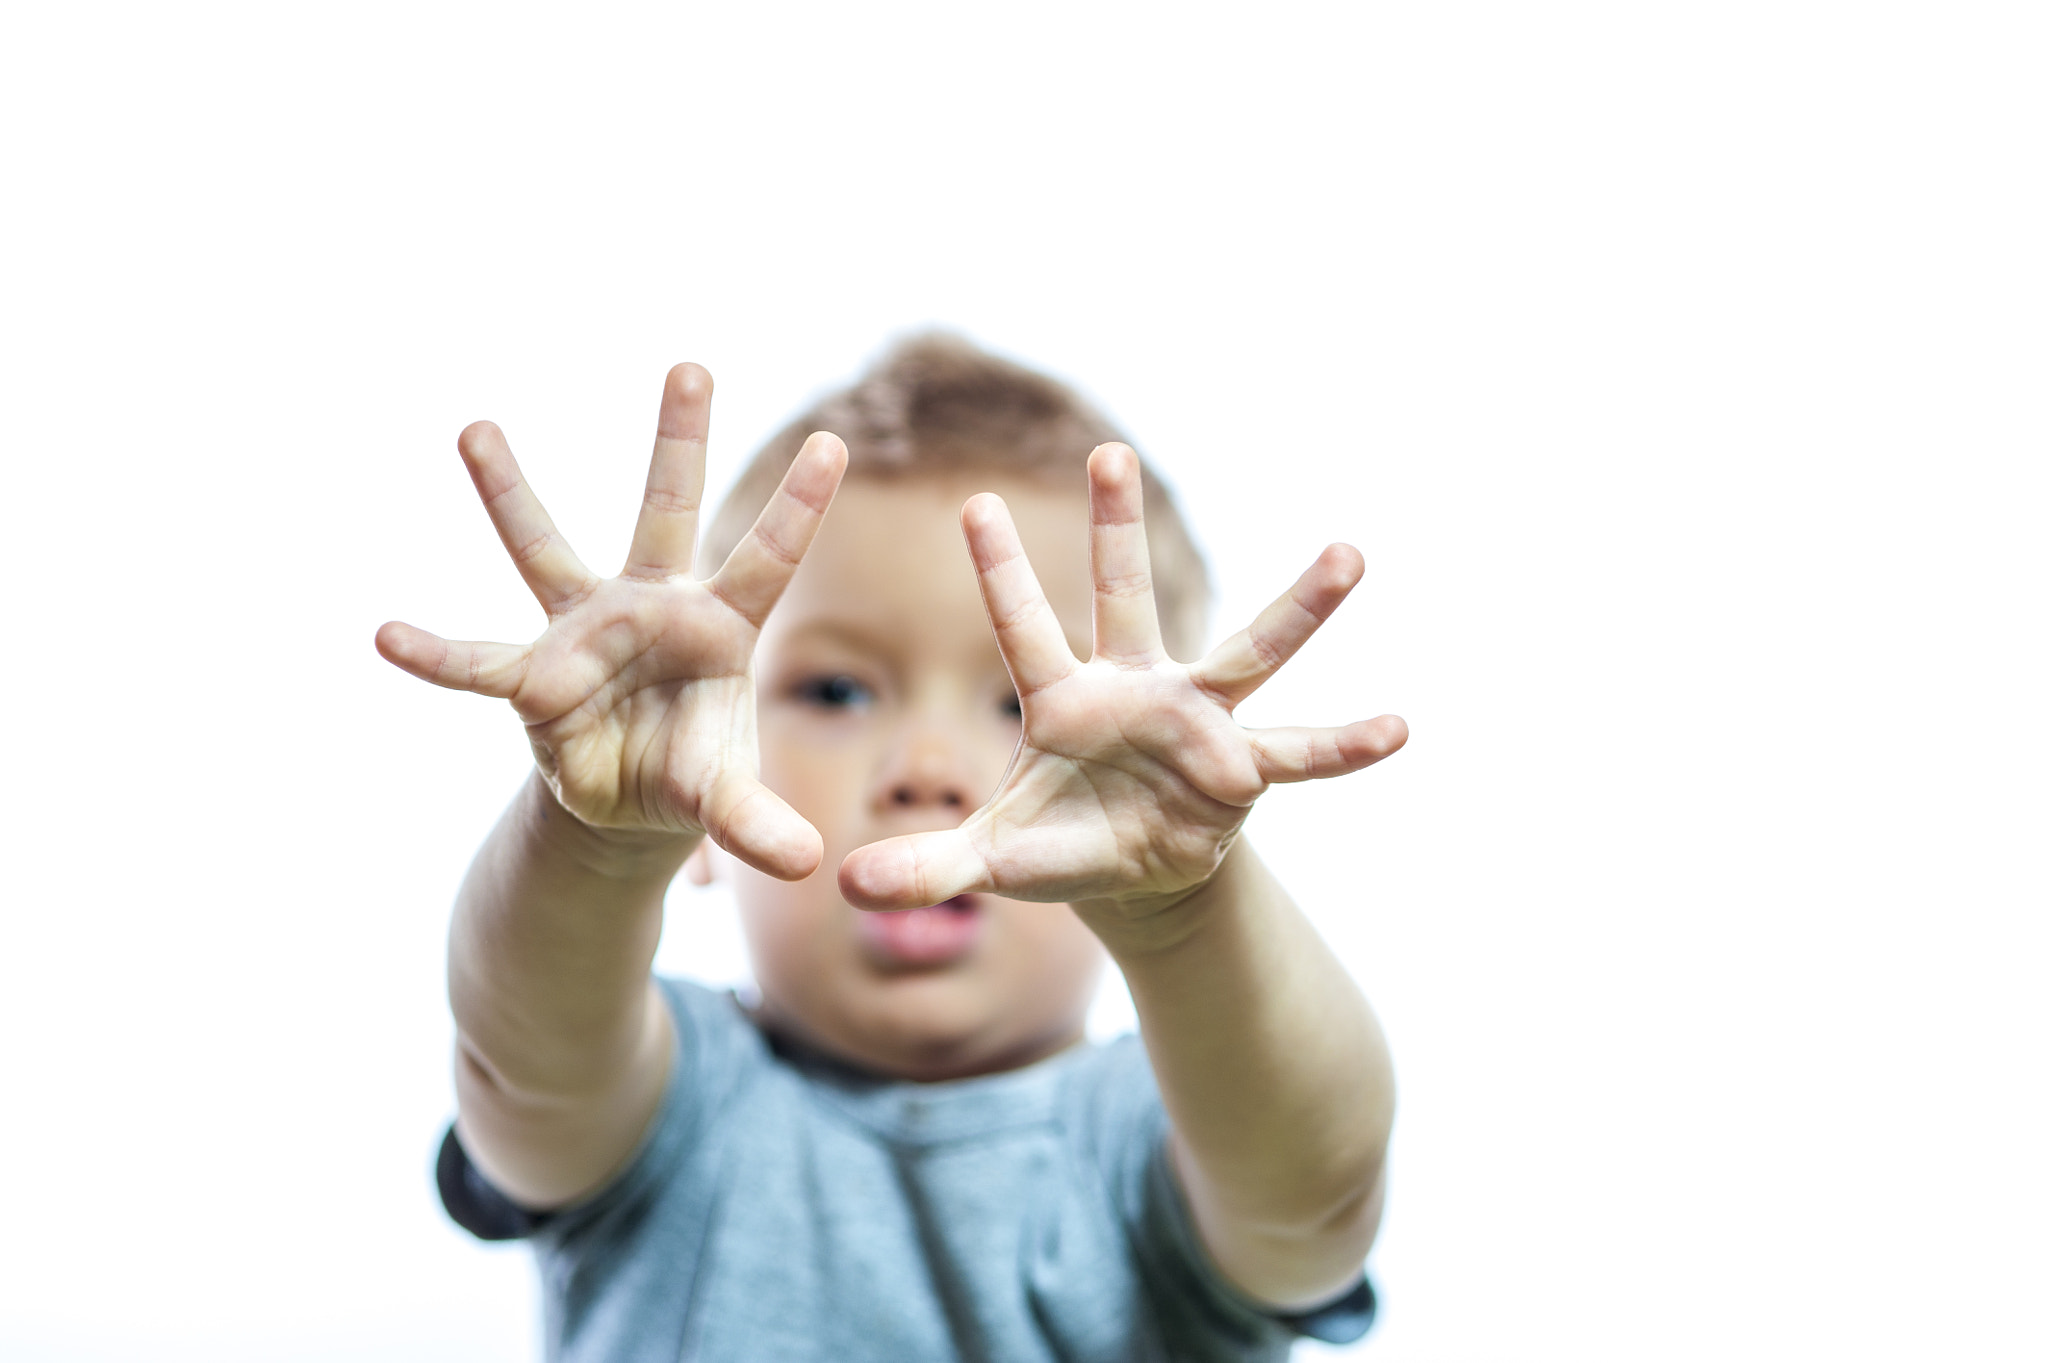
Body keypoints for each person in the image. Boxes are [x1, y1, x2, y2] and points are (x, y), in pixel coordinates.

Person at [375, 335, 1407, 1361]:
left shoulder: (1161, 1141)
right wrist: (595, 837)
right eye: (836, 691)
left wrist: (1183, 910)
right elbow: (527, 1060)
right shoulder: (670, 1107)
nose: (924, 766)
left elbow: (1316, 1194)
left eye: (1018, 702)